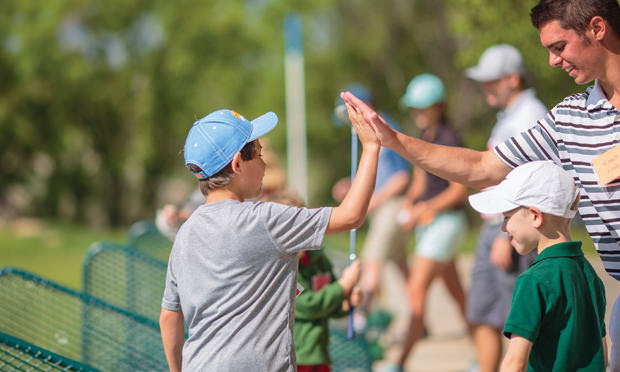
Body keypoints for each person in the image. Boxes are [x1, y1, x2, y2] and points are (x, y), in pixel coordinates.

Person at [341, 0, 620, 367]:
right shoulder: (569, 115)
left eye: (559, 47)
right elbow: (482, 166)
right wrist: (394, 140)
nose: (554, 61)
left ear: (597, 29)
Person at [159, 106, 380, 372]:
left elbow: (170, 317)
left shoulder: (186, 233)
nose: (265, 165)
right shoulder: (265, 219)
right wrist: (371, 147)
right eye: (260, 155)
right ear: (237, 163)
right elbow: (351, 216)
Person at [468, 161, 608, 371]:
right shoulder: (588, 273)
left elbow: (515, 361)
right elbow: (602, 351)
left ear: (535, 216)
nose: (504, 228)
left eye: (506, 217)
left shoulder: (533, 281)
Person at [464, 44, 547, 372]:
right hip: (494, 225)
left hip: (510, 227)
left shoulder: (530, 114)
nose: (485, 87)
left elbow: (533, 178)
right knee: (482, 313)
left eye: (491, 80)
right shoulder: (509, 117)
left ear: (513, 79)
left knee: (519, 318)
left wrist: (506, 232)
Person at [379, 74, 470, 372]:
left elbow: (458, 191)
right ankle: (484, 350)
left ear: (438, 106)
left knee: (416, 291)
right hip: (430, 225)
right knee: (456, 293)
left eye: (421, 107)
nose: (416, 112)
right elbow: (420, 180)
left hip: (447, 223)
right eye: (414, 107)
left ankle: (399, 362)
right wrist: (409, 203)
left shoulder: (449, 139)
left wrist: (425, 208)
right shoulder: (426, 137)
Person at [332, 84, 410, 326]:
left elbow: (401, 177)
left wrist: (374, 200)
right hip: (379, 209)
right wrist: (351, 186)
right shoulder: (360, 133)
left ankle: (362, 319)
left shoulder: (386, 127)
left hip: (391, 207)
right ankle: (419, 318)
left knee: (370, 262)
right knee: (402, 266)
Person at [262, 190, 362, 372]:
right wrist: (343, 286)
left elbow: (328, 303)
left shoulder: (319, 260)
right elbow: (308, 306)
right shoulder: (279, 269)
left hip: (319, 352)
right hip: (293, 356)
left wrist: (345, 304)